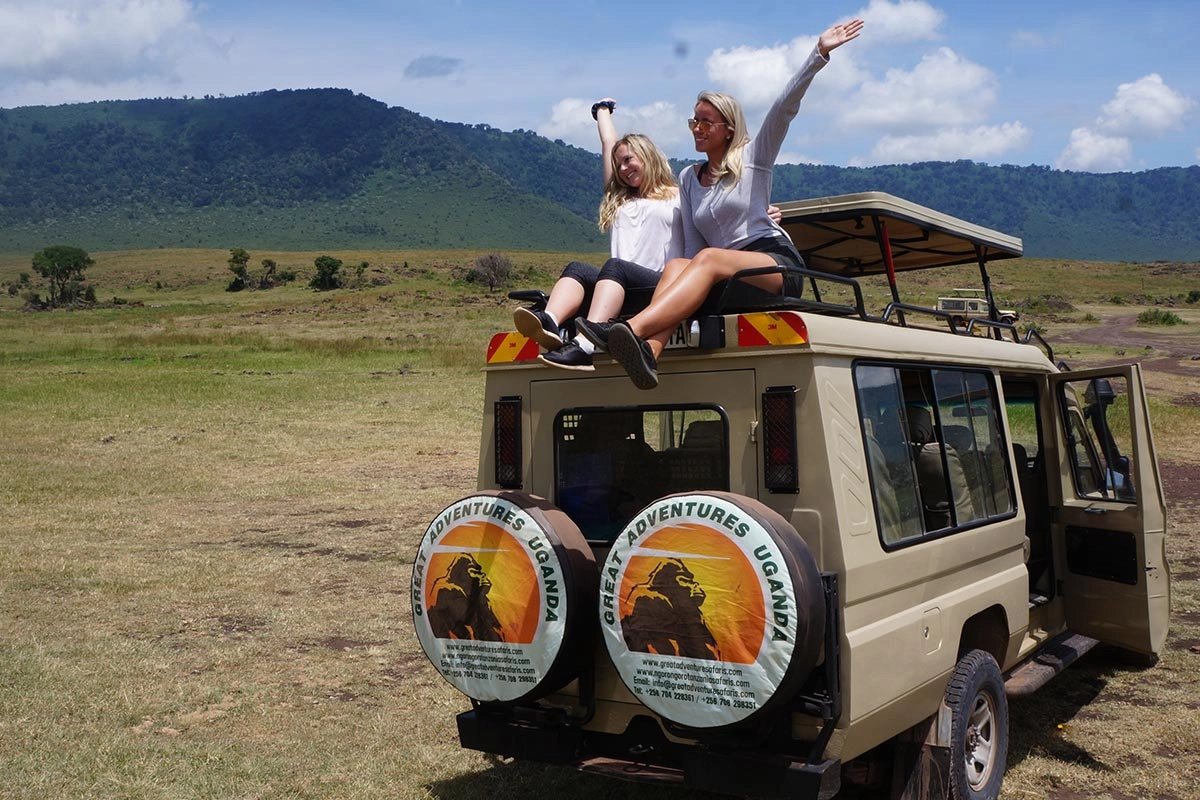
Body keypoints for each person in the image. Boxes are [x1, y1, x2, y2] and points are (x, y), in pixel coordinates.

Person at [581, 18, 864, 389]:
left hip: (773, 265)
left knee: (708, 260)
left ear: (728, 127)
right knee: (678, 266)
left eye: (705, 121)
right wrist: (679, 273)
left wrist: (818, 54)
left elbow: (783, 109)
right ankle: (649, 351)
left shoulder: (753, 158)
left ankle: (625, 330)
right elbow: (695, 249)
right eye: (693, 121)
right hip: (724, 274)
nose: (696, 128)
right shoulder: (687, 178)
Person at [513, 99, 682, 371]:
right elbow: (608, 144)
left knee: (614, 267)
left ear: (647, 156)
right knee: (577, 269)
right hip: (617, 286)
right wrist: (601, 111)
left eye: (629, 160)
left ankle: (584, 346)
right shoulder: (620, 199)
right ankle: (549, 322)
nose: (624, 169)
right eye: (619, 165)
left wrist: (763, 210)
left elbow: (713, 212)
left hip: (656, 287)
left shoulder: (678, 195)